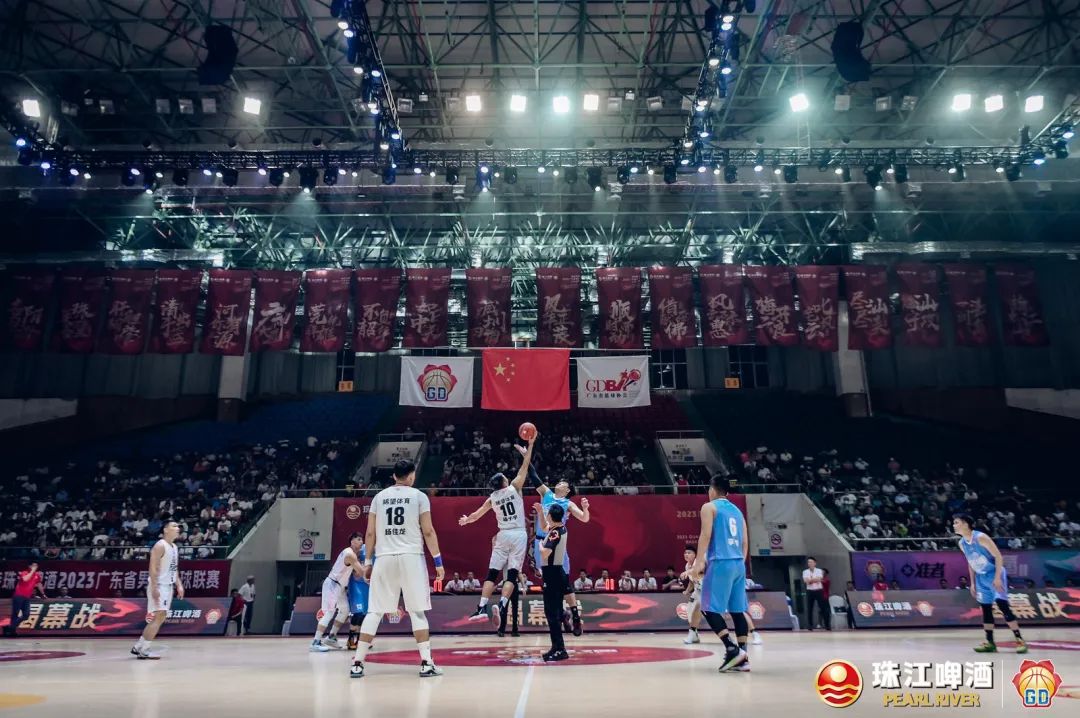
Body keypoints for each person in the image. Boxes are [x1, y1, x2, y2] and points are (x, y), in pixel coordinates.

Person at [351, 460, 445, 679]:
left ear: (394, 476)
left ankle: (357, 663)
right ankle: (426, 663)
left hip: (384, 559)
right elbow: (428, 531)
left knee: (374, 612)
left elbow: (370, 534)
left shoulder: (378, 498)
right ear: (412, 476)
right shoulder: (419, 497)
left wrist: (368, 562)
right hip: (411, 557)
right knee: (417, 612)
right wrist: (438, 562)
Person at [460, 433, 536, 628]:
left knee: (492, 574)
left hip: (502, 535)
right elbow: (525, 468)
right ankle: (502, 605)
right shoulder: (514, 487)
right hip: (518, 534)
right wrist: (528, 449)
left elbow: (476, 515)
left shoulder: (492, 498)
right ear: (504, 482)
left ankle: (481, 607)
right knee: (512, 574)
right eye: (504, 477)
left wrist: (466, 520)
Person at [684, 475, 750, 672]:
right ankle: (743, 657)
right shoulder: (737, 511)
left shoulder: (709, 507)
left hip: (720, 562)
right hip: (738, 563)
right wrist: (740, 562)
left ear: (712, 490)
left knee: (707, 608)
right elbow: (745, 541)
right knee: (737, 611)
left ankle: (731, 649)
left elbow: (705, 535)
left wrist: (698, 563)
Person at [527, 444, 590, 637]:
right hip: (541, 540)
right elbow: (533, 475)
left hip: (557, 541)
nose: (559, 483)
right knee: (549, 583)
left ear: (567, 489)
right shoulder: (546, 493)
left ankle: (575, 616)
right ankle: (562, 615)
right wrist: (526, 455)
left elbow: (584, 518)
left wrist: (585, 508)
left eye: (562, 483)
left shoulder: (568, 503)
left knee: (564, 582)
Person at [953, 514, 1028, 654]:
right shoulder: (962, 543)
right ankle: (990, 642)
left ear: (965, 524)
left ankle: (1019, 640)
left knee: (1002, 605)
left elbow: (998, 556)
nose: (953, 525)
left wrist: (998, 577)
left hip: (994, 573)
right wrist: (973, 583)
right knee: (986, 608)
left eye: (956, 522)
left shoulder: (981, 537)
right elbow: (970, 563)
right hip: (981, 577)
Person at [131, 520, 183, 659]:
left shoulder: (174, 547)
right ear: (166, 530)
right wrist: (154, 587)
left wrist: (179, 584)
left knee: (159, 617)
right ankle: (144, 650)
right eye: (174, 526)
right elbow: (152, 568)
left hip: (168, 585)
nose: (178, 528)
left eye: (178, 526)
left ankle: (139, 646)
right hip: (159, 585)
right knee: (159, 617)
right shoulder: (160, 545)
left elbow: (174, 568)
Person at [311, 532, 364, 652]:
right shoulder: (350, 554)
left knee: (345, 610)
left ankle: (331, 637)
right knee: (329, 612)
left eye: (362, 540)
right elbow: (361, 572)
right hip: (332, 584)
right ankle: (315, 641)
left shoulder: (351, 554)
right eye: (359, 539)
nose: (361, 542)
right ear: (352, 541)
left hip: (340, 587)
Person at [539, 504, 570, 662]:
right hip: (555, 573)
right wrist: (539, 512)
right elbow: (545, 527)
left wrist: (540, 545)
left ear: (551, 516)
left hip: (553, 574)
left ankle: (560, 649)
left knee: (552, 613)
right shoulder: (559, 529)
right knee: (553, 612)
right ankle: (556, 647)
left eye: (547, 514)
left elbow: (545, 553)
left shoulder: (555, 532)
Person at [4, 562, 46, 637]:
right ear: (29, 566)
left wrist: (43, 594)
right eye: (33, 565)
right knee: (15, 614)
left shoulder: (37, 575)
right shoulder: (24, 572)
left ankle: (10, 627)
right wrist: (32, 571)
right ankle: (12, 631)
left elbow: (39, 584)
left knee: (26, 615)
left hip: (27, 598)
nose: (35, 567)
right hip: (18, 596)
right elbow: (25, 579)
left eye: (36, 565)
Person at [346, 539, 370, 650]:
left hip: (367, 586)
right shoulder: (357, 550)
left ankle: (360, 640)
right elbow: (356, 573)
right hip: (356, 585)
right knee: (358, 613)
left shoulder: (376, 550)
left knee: (364, 614)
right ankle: (350, 639)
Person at [682, 545, 704, 645]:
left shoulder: (699, 562)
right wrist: (687, 591)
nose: (686, 554)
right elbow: (691, 581)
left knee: (719, 614)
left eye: (689, 553)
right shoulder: (687, 565)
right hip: (697, 591)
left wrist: (688, 572)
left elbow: (697, 571)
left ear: (695, 555)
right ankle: (694, 635)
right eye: (685, 553)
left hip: (707, 591)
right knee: (689, 611)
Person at [803, 557, 830, 631]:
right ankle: (810, 625)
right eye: (808, 562)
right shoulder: (805, 571)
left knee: (823, 608)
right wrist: (813, 580)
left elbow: (819, 579)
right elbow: (806, 581)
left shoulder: (819, 570)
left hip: (818, 590)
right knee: (809, 608)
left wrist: (810, 580)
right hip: (810, 591)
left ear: (815, 563)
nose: (810, 563)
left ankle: (827, 625)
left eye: (811, 562)